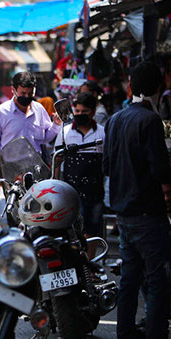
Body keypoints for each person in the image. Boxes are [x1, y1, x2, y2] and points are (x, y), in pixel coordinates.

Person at [103, 61, 171, 339]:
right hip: (147, 212)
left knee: (130, 282)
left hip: (123, 212)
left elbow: (107, 166)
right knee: (158, 282)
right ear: (157, 88)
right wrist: (170, 187)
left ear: (131, 85)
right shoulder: (150, 120)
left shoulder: (116, 120)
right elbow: (159, 168)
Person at [0, 71, 62, 181]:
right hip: (11, 171)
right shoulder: (1, 112)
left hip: (36, 169)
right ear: (13, 90)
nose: (27, 97)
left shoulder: (39, 109)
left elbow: (45, 138)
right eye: (23, 93)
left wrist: (56, 125)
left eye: (30, 94)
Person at [55, 92, 106, 258]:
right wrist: (55, 183)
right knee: (73, 228)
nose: (79, 115)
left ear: (92, 112)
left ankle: (89, 265)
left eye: (83, 112)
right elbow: (57, 159)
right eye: (76, 111)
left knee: (92, 227)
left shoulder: (102, 133)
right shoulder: (65, 132)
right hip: (71, 190)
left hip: (95, 189)